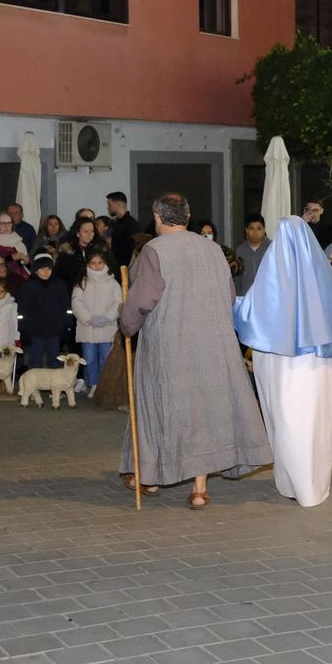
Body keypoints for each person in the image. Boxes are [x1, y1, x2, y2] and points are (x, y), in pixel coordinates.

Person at [118, 193, 272, 508]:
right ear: (187, 218)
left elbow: (142, 300)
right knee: (205, 412)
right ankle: (199, 489)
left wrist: (126, 323)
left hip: (170, 344)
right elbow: (229, 296)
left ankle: (149, 476)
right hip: (215, 344)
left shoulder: (154, 251)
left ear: (158, 217)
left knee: (159, 408)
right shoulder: (213, 249)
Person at [235, 214, 332, 507]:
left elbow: (251, 311)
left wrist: (232, 306)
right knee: (315, 419)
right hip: (317, 363)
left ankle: (292, 481)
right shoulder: (322, 273)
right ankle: (311, 484)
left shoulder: (272, 271)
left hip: (281, 364)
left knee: (287, 420)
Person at [71, 249, 120, 394]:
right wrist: (88, 318)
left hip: (107, 328)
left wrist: (108, 317)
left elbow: (118, 301)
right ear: (88, 264)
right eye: (93, 263)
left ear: (105, 263)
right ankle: (92, 383)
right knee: (89, 358)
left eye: (100, 263)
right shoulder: (83, 282)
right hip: (88, 328)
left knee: (105, 357)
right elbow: (76, 302)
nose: (96, 266)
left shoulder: (113, 283)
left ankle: (104, 385)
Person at [17, 253, 71, 372]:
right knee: (34, 362)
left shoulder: (60, 286)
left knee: (54, 362)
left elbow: (66, 308)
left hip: (54, 331)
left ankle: (54, 388)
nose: (45, 272)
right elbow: (22, 311)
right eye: (42, 269)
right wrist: (23, 330)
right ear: (36, 270)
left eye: (48, 269)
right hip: (35, 332)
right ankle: (33, 389)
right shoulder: (28, 288)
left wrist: (67, 327)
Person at [0, 212, 30, 283]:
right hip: (0, 281)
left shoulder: (17, 239)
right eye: (2, 224)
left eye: (9, 223)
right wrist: (12, 257)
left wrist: (27, 261)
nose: (6, 227)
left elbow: (27, 266)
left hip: (22, 279)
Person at [54, 218, 105, 286]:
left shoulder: (101, 250)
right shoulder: (66, 252)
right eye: (86, 231)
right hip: (72, 290)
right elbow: (59, 277)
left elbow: (111, 270)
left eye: (92, 231)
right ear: (78, 233)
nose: (89, 234)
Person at [234, 214, 272, 297]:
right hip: (245, 299)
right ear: (246, 230)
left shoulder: (272, 249)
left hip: (268, 299)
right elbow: (237, 278)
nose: (255, 232)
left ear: (264, 230)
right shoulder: (240, 250)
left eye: (259, 229)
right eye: (251, 229)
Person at [105, 192, 142, 270]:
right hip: (117, 267)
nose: (108, 207)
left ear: (118, 204)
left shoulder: (132, 225)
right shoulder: (116, 223)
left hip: (126, 269)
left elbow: (133, 250)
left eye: (109, 204)